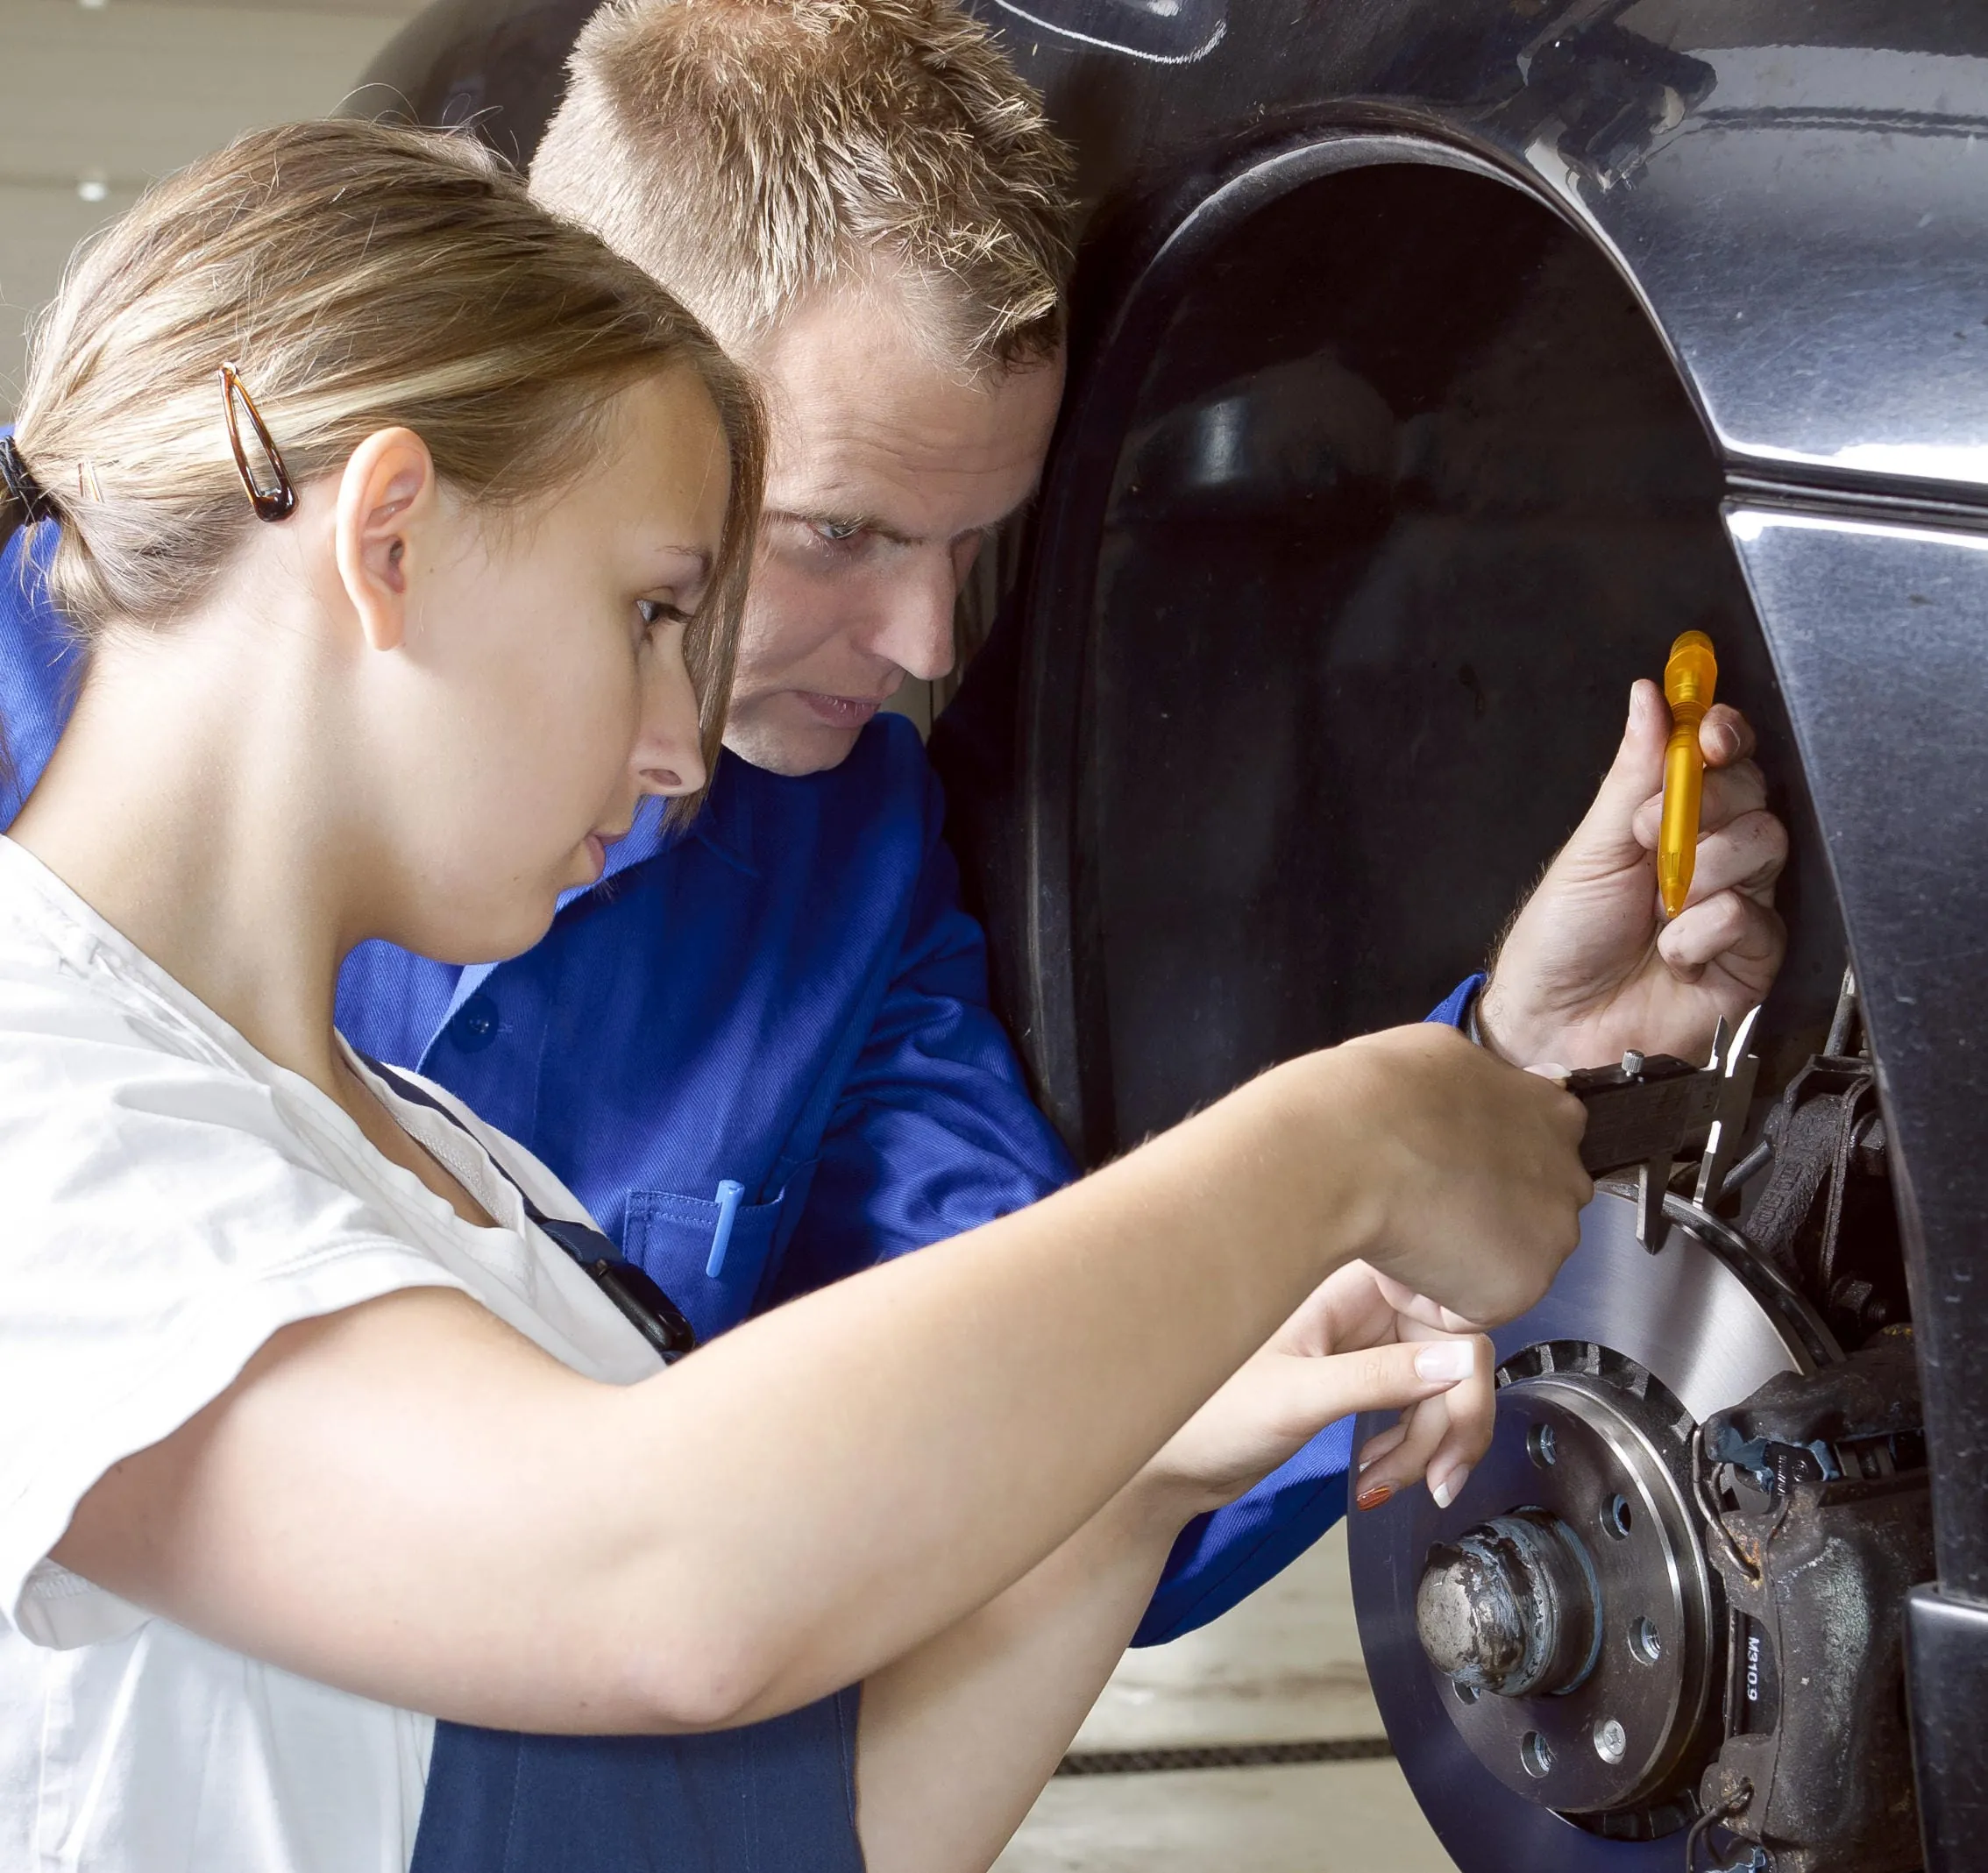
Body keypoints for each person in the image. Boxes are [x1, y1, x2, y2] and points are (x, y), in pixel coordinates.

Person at [0, 119, 1593, 1873]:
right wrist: (1339, 1142)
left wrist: (1143, 1472)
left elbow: (764, 1822)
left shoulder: (457, 1181)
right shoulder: (38, 1097)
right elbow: (660, 1580)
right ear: (392, 539)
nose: (686, 744)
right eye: (651, 608)